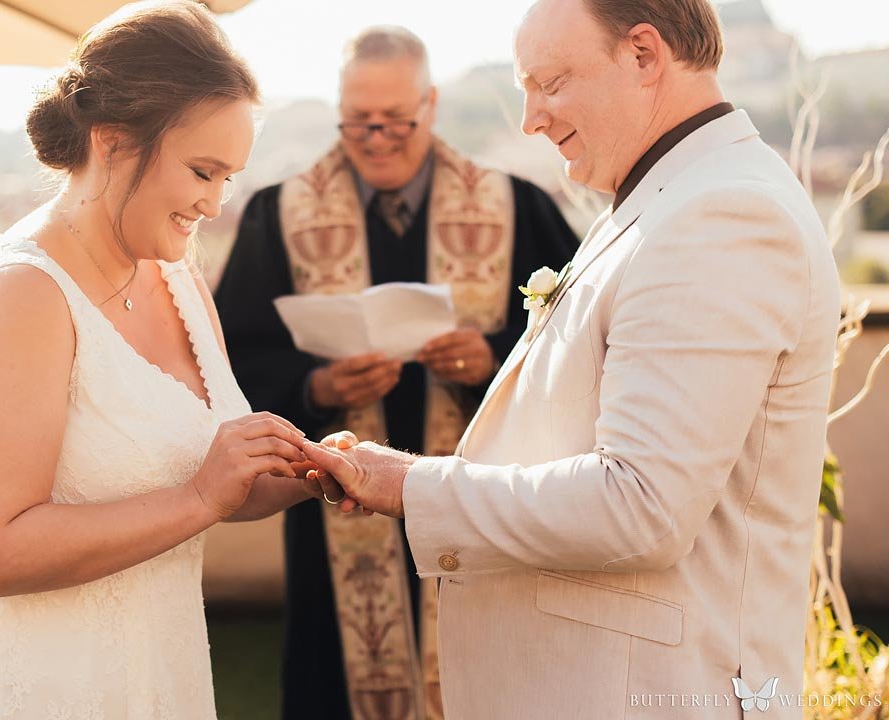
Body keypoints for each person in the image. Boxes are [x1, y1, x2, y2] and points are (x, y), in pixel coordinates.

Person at [302, 0, 841, 718]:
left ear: (645, 56)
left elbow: (639, 507)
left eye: (549, 83)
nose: (530, 119)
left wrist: (410, 485)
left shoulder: (722, 214)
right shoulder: (661, 195)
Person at [0, 3, 334, 718]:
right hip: (20, 692)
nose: (216, 203)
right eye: (202, 171)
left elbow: (213, 480)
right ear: (114, 142)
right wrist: (199, 499)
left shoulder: (179, 279)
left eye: (228, 177)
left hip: (156, 680)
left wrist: (310, 470)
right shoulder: (23, 296)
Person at [214, 25, 579, 720]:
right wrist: (315, 389)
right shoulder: (278, 215)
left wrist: (492, 358)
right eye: (358, 123)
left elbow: (579, 343)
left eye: (396, 122)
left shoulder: (516, 206)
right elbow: (232, 360)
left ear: (432, 105)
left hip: (483, 504)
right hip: (335, 526)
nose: (377, 138)